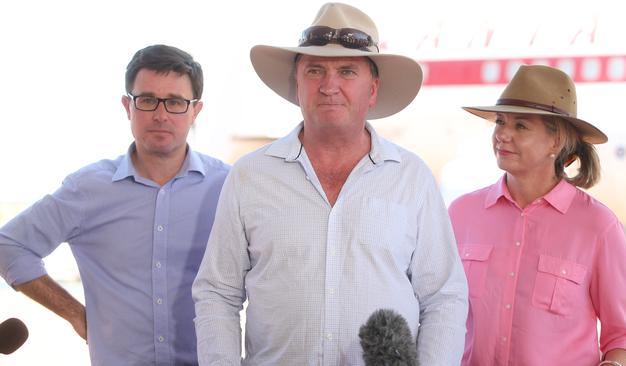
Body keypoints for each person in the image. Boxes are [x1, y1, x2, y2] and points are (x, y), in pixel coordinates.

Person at [192, 2, 468, 365]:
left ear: (373, 89)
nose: (329, 85)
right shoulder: (250, 175)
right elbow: (218, 292)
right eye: (315, 70)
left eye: (347, 71)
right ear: (297, 84)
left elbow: (443, 297)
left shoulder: (412, 178)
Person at [0, 44, 230, 365]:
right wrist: (75, 314)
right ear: (128, 106)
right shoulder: (87, 188)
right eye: (147, 100)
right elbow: (9, 245)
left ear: (196, 111)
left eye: (176, 102)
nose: (161, 115)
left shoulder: (228, 187)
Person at [449, 64, 626, 366]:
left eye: (521, 126)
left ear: (556, 141)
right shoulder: (461, 214)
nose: (502, 134)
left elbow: (625, 338)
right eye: (500, 122)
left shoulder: (598, 227)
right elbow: (435, 313)